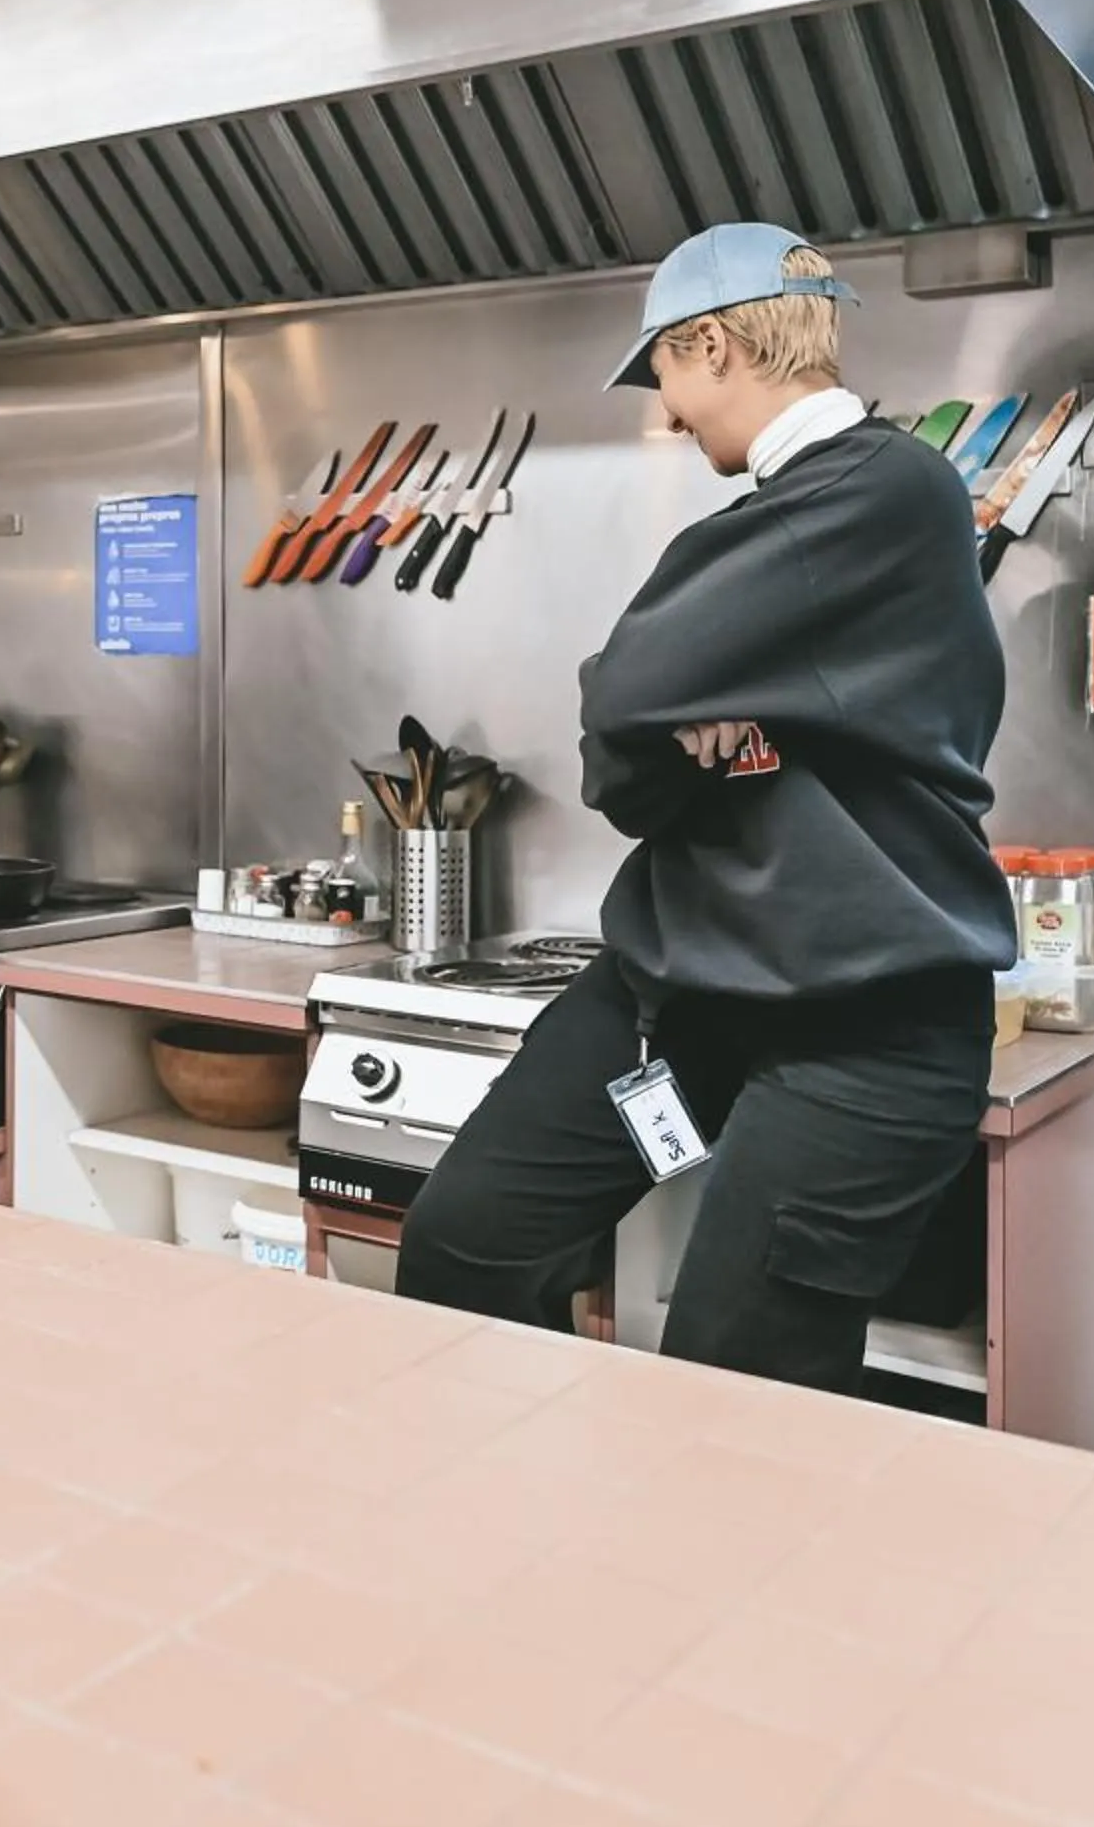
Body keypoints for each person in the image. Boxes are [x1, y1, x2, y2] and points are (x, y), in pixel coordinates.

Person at [394, 223, 1017, 1395]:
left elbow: (629, 693)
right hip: (678, 998)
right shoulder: (794, 515)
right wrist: (726, 743)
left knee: (734, 1384)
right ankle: (521, 1528)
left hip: (866, 1026)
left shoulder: (885, 487)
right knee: (465, 1242)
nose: (669, 417)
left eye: (667, 377)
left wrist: (712, 737)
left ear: (716, 345)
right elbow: (621, 763)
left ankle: (708, 1574)